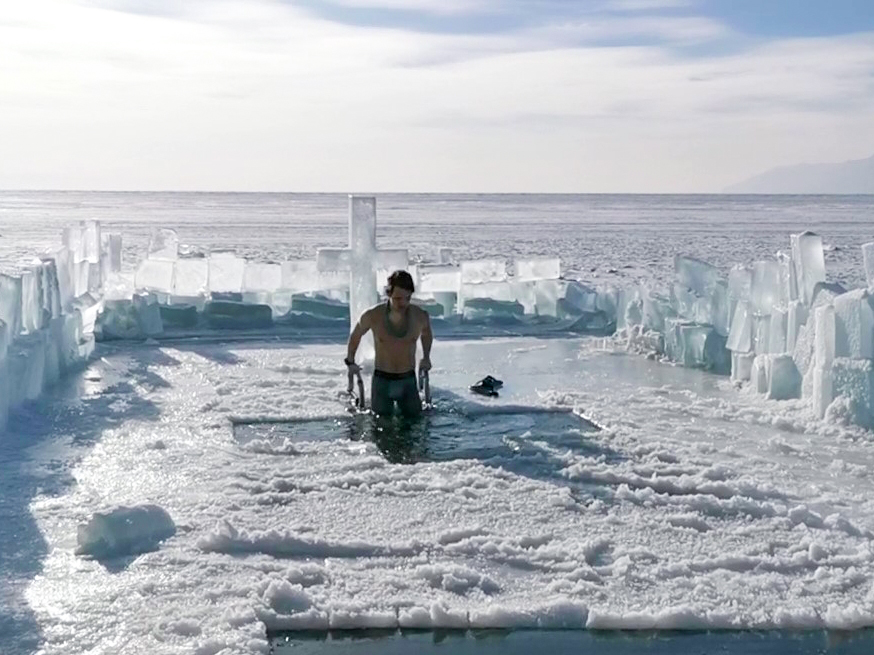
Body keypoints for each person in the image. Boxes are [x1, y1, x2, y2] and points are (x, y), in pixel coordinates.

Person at [345, 270, 432, 419]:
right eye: (398, 298)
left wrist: (426, 357)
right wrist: (350, 361)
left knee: (413, 425)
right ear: (389, 294)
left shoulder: (420, 316)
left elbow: (427, 334)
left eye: (407, 298)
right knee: (381, 427)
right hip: (382, 381)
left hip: (408, 380)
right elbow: (356, 334)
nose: (403, 303)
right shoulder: (373, 315)